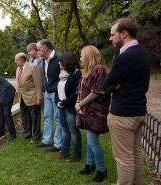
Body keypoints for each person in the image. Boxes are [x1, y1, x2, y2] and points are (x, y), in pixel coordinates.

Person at [103, 17, 150, 185]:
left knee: (124, 159)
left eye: (112, 34)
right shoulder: (142, 53)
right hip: (138, 111)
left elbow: (106, 85)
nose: (110, 38)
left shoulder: (126, 56)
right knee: (135, 155)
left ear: (124, 34)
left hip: (123, 115)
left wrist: (115, 86)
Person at [75, 46, 110, 182]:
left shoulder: (99, 70)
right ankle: (89, 165)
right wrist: (78, 104)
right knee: (90, 140)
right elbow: (80, 90)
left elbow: (96, 92)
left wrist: (80, 104)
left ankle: (102, 169)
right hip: (86, 110)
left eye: (82, 55)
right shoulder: (86, 72)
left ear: (89, 56)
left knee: (93, 141)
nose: (80, 58)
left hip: (95, 112)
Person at [35, 39, 62, 153]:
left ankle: (58, 143)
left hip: (57, 92)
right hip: (47, 92)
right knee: (47, 116)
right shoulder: (41, 60)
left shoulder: (59, 58)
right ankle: (46, 140)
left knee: (57, 118)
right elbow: (42, 76)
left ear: (45, 48)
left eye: (38, 49)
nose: (37, 51)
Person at [55, 52, 82, 163]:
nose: (58, 63)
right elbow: (57, 89)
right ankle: (64, 151)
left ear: (66, 62)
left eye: (60, 61)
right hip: (61, 106)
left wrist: (64, 102)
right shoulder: (61, 74)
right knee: (64, 129)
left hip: (70, 107)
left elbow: (75, 93)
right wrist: (57, 101)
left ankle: (77, 153)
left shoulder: (76, 74)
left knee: (73, 130)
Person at [15, 52, 42, 142]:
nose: (15, 61)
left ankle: (36, 135)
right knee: (25, 117)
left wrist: (39, 98)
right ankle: (27, 133)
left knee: (35, 117)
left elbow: (38, 84)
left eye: (16, 60)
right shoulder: (18, 69)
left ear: (21, 60)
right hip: (22, 97)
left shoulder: (32, 67)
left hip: (32, 97)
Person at [27, 43, 45, 121]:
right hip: (33, 88)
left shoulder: (43, 58)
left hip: (43, 87)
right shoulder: (30, 60)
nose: (28, 53)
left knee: (45, 109)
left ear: (35, 49)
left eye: (29, 51)